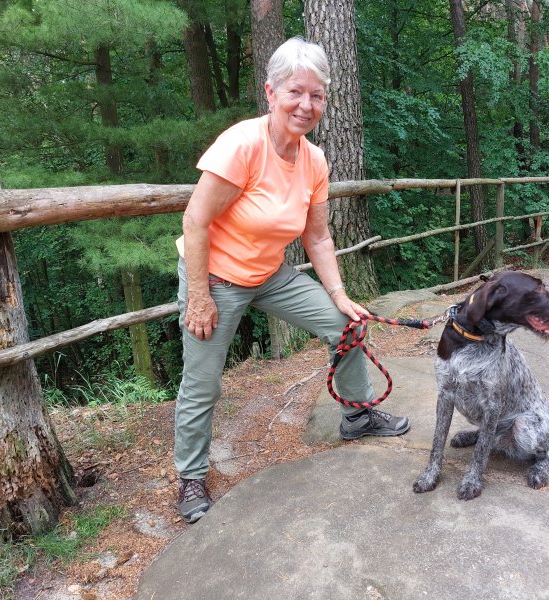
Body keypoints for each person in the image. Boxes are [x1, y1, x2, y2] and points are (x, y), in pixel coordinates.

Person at [174, 37, 410, 524]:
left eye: (317, 95)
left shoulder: (314, 160)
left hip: (271, 273)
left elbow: (318, 237)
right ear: (271, 92)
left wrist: (340, 296)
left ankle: (358, 416)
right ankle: (191, 476)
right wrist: (199, 296)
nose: (306, 105)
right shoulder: (242, 145)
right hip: (215, 275)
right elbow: (195, 222)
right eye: (295, 92)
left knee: (349, 326)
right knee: (203, 383)